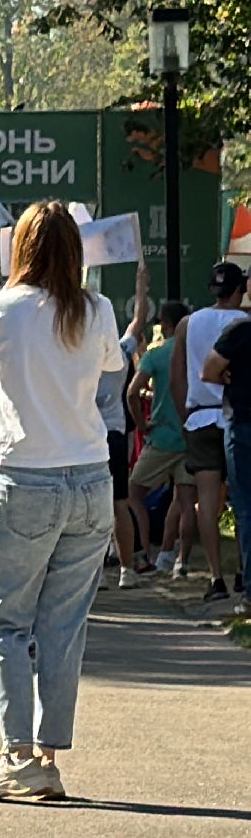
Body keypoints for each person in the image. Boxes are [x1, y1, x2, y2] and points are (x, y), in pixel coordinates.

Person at [0, 200, 123, 802]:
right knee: (63, 624)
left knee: (1, 618)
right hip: (91, 474)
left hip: (25, 475)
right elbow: (108, 366)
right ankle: (48, 757)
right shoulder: (96, 308)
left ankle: (18, 755)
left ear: (20, 249)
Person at [171, 261, 246, 605]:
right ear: (239, 290)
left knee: (207, 501)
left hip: (199, 416)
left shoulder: (188, 323)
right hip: (237, 413)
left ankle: (215, 576)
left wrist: (184, 415)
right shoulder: (243, 323)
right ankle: (243, 570)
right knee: (242, 498)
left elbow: (177, 377)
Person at [126, 300, 195, 578]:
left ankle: (143, 551)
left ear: (165, 324)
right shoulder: (194, 352)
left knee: (133, 492)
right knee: (186, 501)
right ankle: (180, 562)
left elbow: (132, 392)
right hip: (190, 434)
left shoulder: (157, 354)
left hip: (162, 435)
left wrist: (142, 424)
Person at [96, 267, 152, 586]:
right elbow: (138, 322)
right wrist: (141, 288)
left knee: (92, 507)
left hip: (88, 438)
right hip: (115, 434)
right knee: (120, 502)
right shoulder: (119, 352)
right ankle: (127, 570)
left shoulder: (80, 358)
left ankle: (97, 571)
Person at [199, 302, 251, 615]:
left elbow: (208, 370)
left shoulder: (240, 331)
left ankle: (249, 593)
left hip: (243, 421)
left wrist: (227, 377)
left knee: (245, 508)